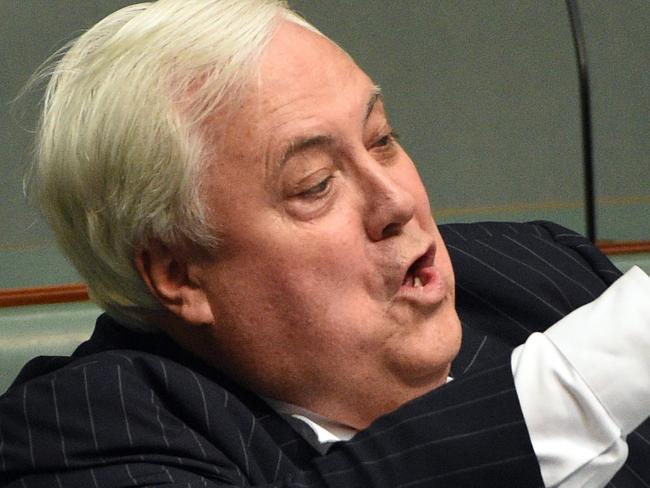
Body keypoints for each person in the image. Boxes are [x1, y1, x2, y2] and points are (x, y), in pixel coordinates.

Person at [1, 1, 649, 487]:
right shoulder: (76, 432)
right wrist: (582, 384)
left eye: (382, 139)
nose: (396, 202)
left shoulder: (538, 271)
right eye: (314, 184)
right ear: (180, 274)